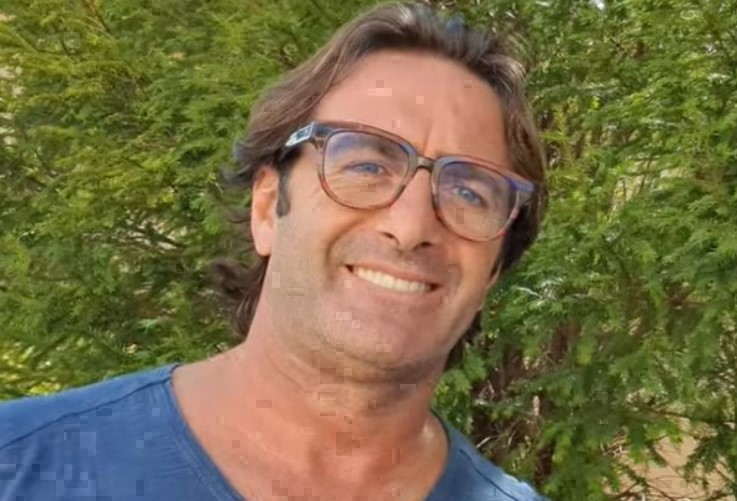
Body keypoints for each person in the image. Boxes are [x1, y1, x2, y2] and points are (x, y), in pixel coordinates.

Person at [0, 2, 548, 500]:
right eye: (365, 164)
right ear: (267, 208)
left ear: (492, 271)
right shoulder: (21, 465)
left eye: (469, 192)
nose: (410, 226)